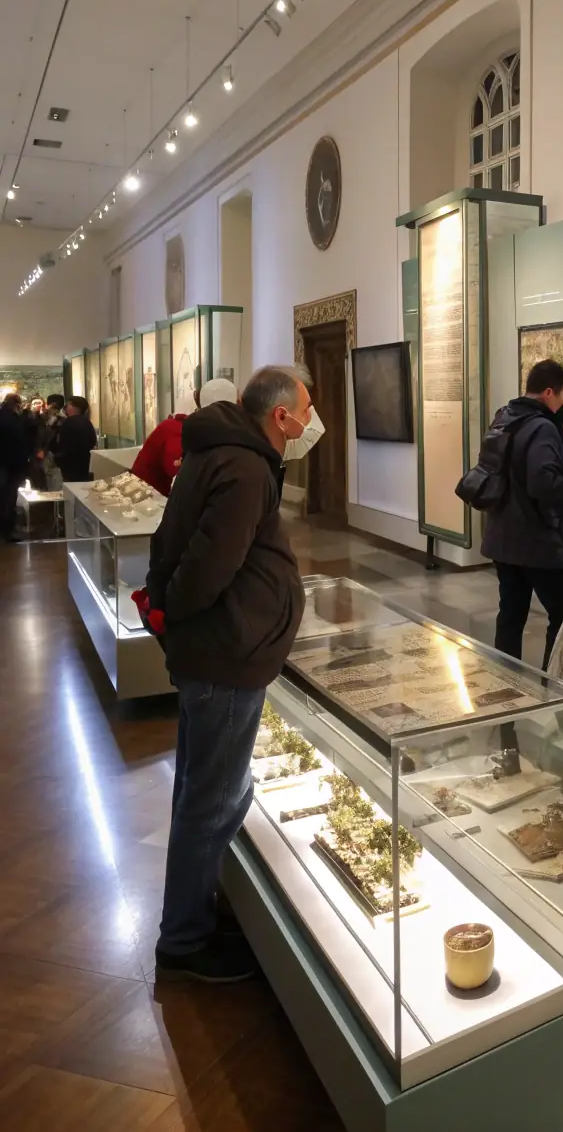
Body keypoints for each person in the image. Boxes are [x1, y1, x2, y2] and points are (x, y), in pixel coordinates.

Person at [147, 365, 320, 982]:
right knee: (215, 799)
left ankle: (193, 910)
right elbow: (207, 564)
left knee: (202, 789)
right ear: (280, 416)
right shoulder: (246, 468)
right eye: (306, 411)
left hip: (216, 649)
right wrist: (184, 617)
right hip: (224, 654)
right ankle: (185, 939)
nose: (311, 422)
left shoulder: (225, 452)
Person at [480, 359, 563, 671]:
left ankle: (506, 684)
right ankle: (550, 687)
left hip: (503, 537)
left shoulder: (505, 416)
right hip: (536, 543)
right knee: (562, 613)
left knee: (511, 615)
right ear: (549, 392)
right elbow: (543, 482)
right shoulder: (543, 427)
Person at [132, 378, 238, 496]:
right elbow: (175, 470)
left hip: (153, 493)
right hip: (145, 495)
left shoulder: (188, 428)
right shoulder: (180, 429)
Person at [0, 393, 30, 542]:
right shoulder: (12, 420)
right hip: (11, 464)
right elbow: (18, 442)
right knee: (8, 498)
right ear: (17, 405)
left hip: (5, 463)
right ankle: (7, 532)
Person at [53, 396, 97, 483]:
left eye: (68, 405)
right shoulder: (87, 422)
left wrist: (58, 459)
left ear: (75, 407)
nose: (66, 408)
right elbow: (92, 441)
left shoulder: (69, 422)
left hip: (70, 466)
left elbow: (63, 444)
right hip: (85, 464)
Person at [35, 393, 65, 490]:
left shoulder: (58, 419)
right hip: (53, 452)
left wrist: (43, 450)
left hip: (51, 452)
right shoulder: (58, 418)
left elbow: (48, 435)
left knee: (53, 478)